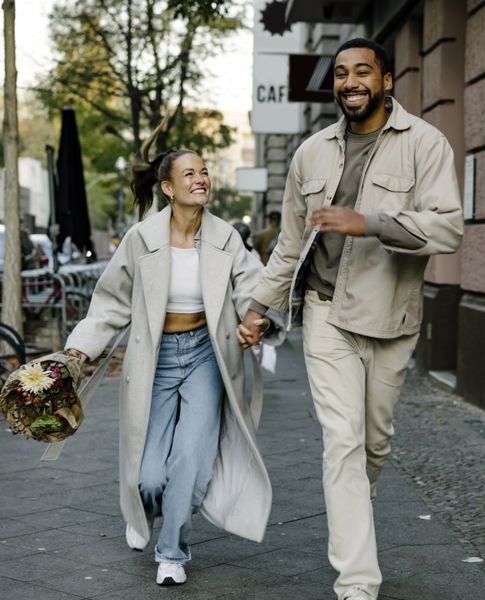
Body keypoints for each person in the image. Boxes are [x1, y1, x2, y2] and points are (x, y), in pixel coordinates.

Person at [237, 38, 463, 600]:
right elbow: (289, 246)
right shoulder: (310, 153)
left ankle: (354, 511)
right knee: (341, 442)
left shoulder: (426, 144)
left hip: (392, 318)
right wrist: (257, 307)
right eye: (340, 73)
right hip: (325, 314)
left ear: (387, 80)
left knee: (372, 446)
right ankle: (357, 582)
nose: (349, 81)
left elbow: (448, 231)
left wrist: (370, 222)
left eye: (363, 71)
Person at [64, 119, 273, 587]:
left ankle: (172, 551)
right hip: (155, 358)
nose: (202, 179)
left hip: (205, 355)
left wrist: (253, 319)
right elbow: (111, 303)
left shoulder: (224, 236)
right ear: (167, 188)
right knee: (148, 474)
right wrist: (77, 352)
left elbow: (251, 285)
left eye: (205, 172)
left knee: (191, 458)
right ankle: (145, 512)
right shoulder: (142, 239)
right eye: (190, 174)